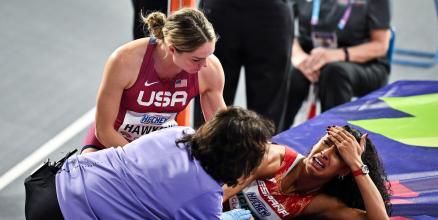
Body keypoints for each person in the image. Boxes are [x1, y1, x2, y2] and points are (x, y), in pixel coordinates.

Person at [25, 107, 274, 220]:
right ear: (240, 158)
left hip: (49, 188)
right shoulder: (204, 199)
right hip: (69, 214)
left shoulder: (177, 133)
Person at [82, 8, 226, 153]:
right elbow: (103, 130)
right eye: (196, 59)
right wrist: (142, 160)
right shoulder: (124, 61)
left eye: (208, 55)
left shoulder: (209, 71)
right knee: (86, 173)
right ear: (172, 49)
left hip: (159, 148)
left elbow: (222, 134)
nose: (205, 65)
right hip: (111, 142)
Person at [224, 125, 392, 219]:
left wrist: (357, 165)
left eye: (339, 155)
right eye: (326, 143)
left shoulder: (320, 203)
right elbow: (216, 194)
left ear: (344, 170)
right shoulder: (274, 157)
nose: (325, 154)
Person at [282, 0, 391, 131]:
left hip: (362, 63)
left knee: (334, 72)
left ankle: (334, 142)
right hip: (311, 57)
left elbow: (380, 46)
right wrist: (299, 56)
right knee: (291, 75)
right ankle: (271, 140)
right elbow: (282, 26)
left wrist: (334, 55)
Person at [195, 0, 294, 132]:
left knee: (267, 119)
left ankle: (265, 150)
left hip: (272, 11)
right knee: (210, 94)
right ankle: (207, 150)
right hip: (219, 9)